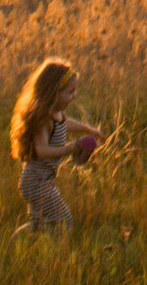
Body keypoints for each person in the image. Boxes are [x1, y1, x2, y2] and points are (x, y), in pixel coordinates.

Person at [9, 57, 105, 236]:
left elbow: (66, 124)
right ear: (53, 93)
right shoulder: (42, 119)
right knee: (64, 220)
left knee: (40, 224)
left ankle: (21, 243)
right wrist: (72, 147)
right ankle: (60, 256)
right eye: (70, 92)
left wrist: (89, 129)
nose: (74, 96)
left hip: (43, 181)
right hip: (36, 183)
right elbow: (42, 151)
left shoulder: (57, 114)